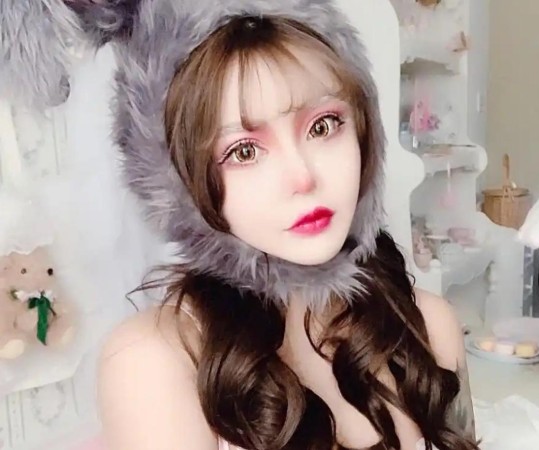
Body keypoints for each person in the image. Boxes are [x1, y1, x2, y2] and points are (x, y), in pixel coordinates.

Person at [68, 0, 480, 448]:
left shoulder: (428, 326)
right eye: (244, 151)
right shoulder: (154, 364)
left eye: (323, 126)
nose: (302, 177)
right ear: (183, 183)